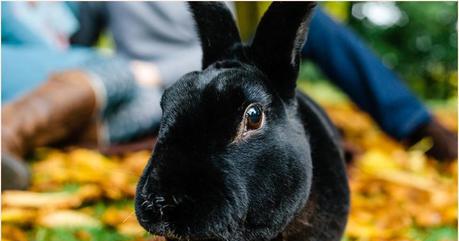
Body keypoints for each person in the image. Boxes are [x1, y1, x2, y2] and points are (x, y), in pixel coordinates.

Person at [2, 2, 457, 190]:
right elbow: (78, 50)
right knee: (113, 78)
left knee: (312, 23)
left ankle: (419, 125)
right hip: (149, 89)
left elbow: (231, 42)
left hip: (218, 70)